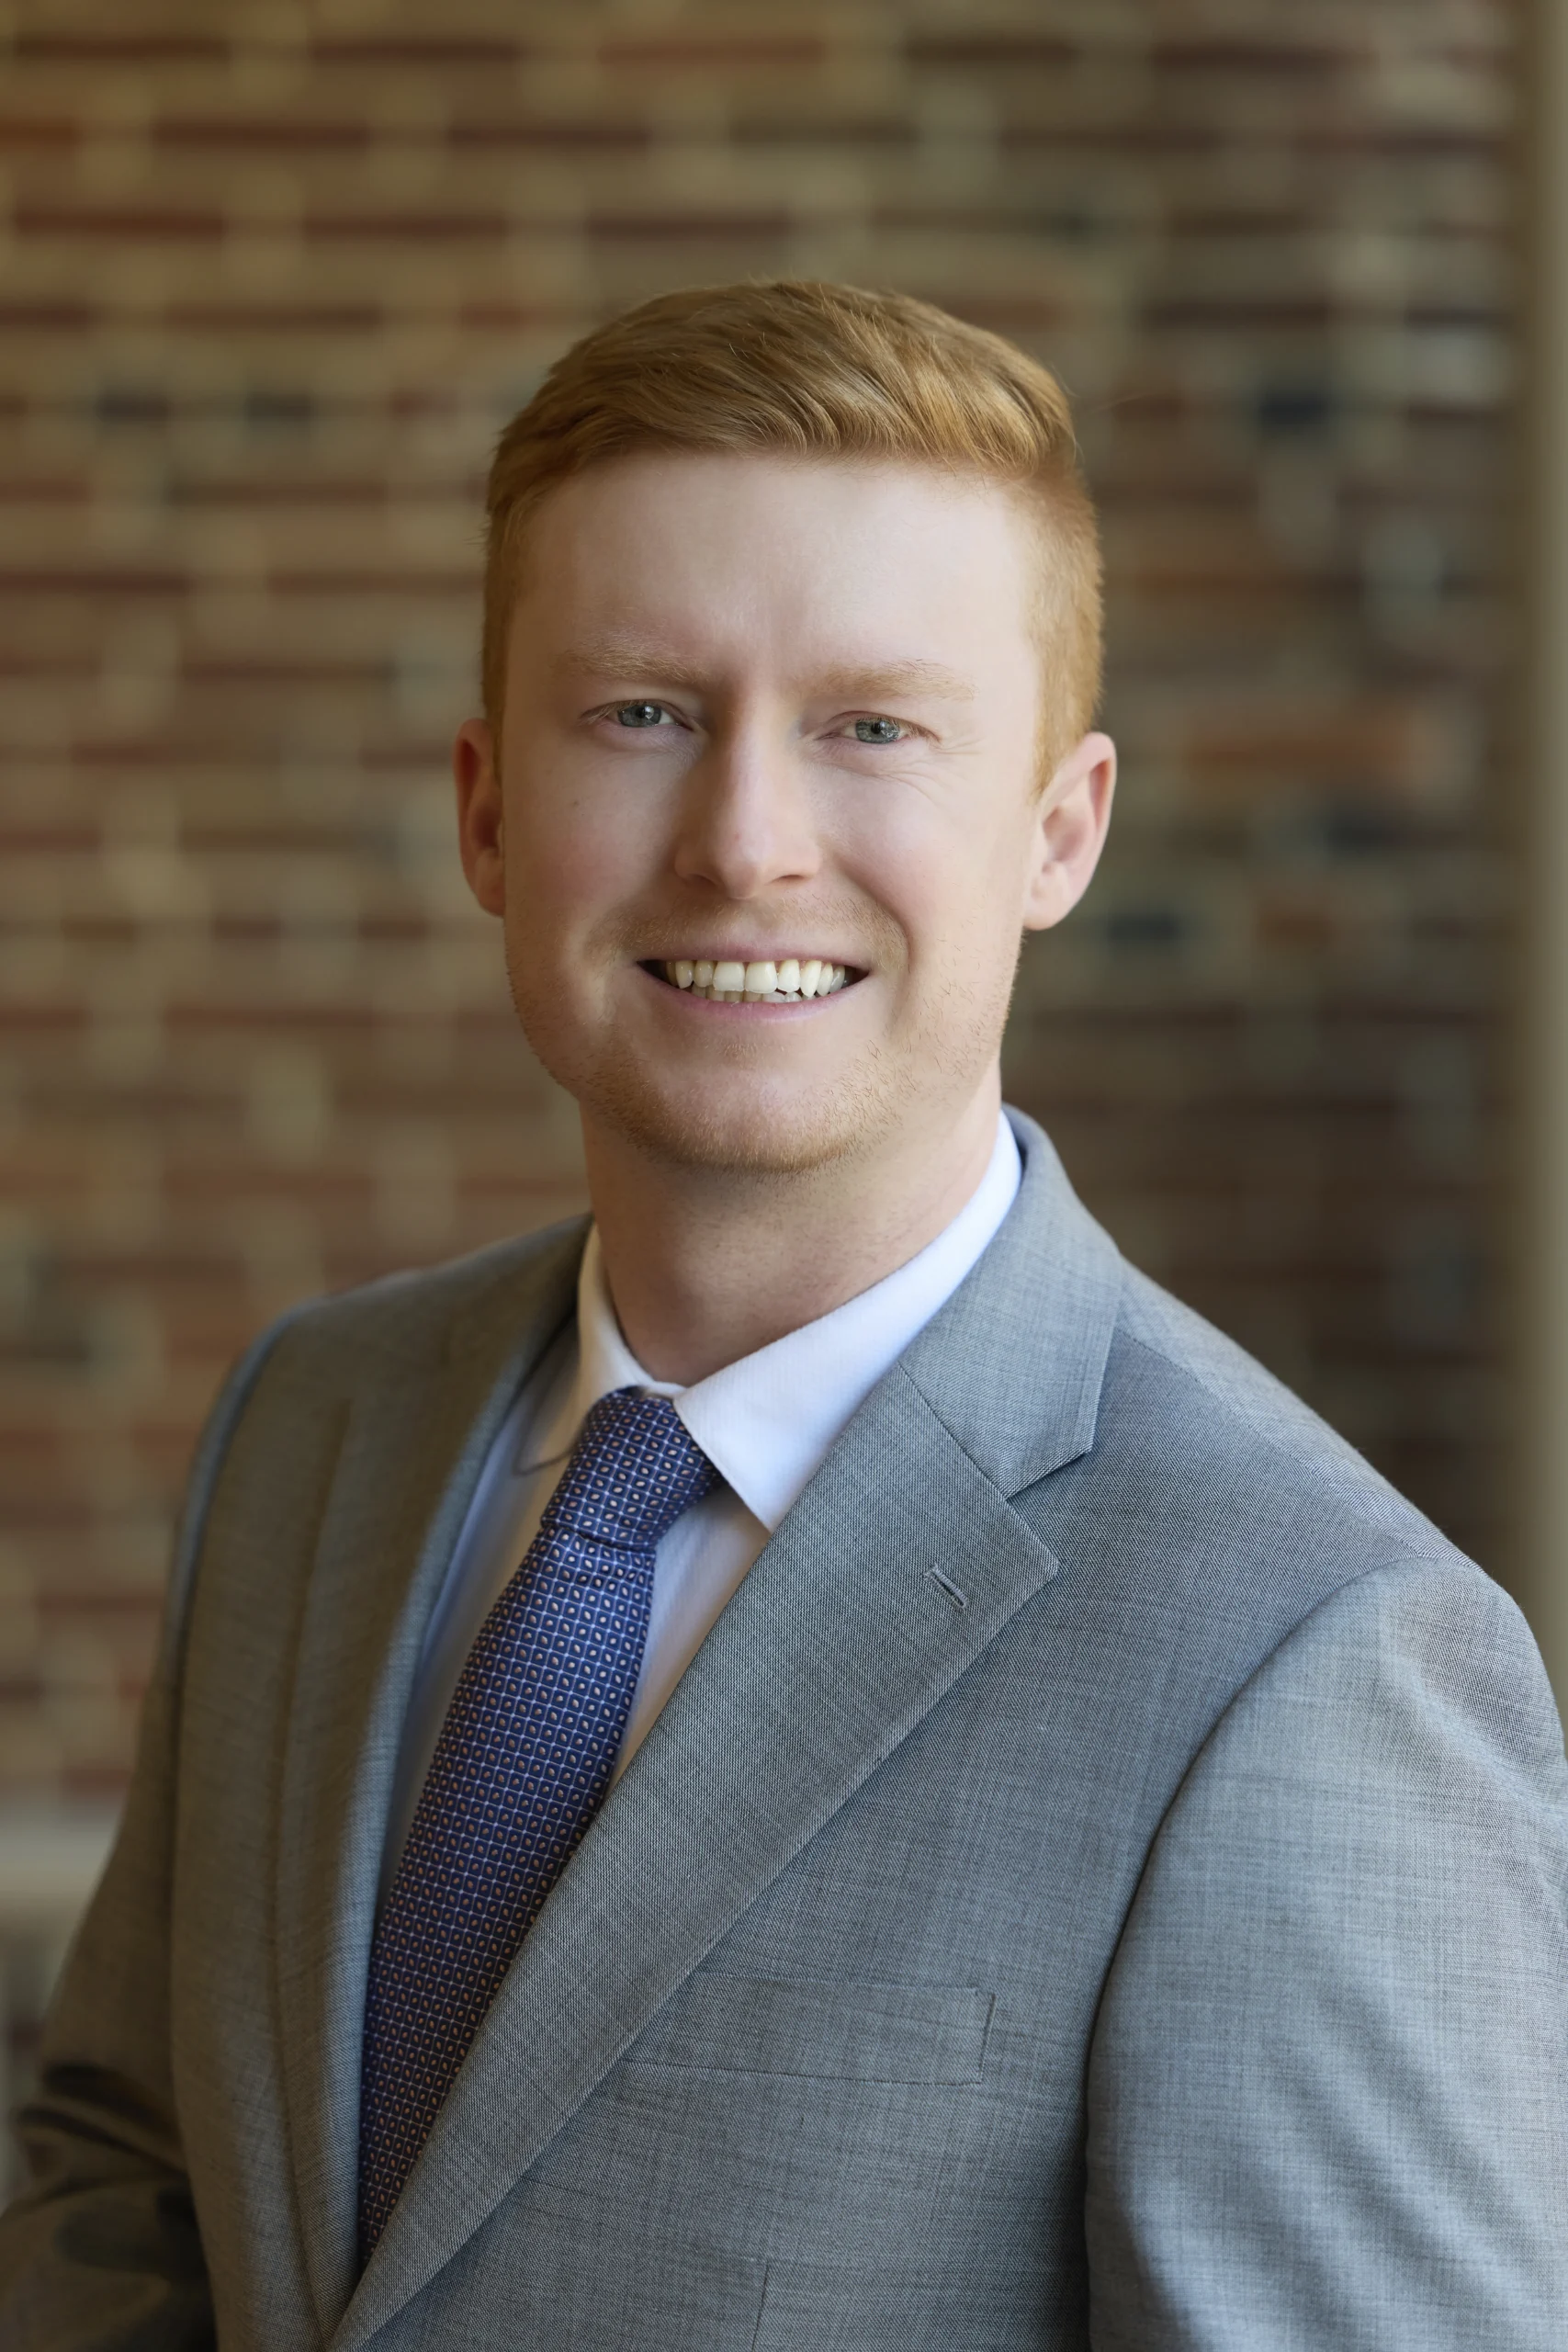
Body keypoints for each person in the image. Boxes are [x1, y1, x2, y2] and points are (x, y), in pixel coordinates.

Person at [1, 280, 1564, 2352]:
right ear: (486, 809)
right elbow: (131, 2171)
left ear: (1058, 830)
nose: (745, 841)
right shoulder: (315, 1427)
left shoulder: (1311, 1652)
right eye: (640, 710)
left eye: (871, 726)